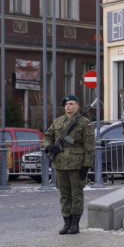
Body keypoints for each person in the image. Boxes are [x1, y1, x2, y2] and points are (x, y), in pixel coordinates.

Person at [43, 95, 94, 235]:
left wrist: (86, 165)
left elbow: (89, 146)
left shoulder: (84, 123)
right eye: (66, 104)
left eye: (71, 104)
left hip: (77, 165)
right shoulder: (58, 122)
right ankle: (66, 222)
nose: (68, 106)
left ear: (77, 106)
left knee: (76, 194)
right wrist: (49, 147)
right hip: (60, 164)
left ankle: (75, 224)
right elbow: (47, 136)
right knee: (64, 194)